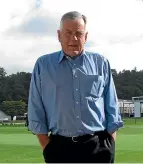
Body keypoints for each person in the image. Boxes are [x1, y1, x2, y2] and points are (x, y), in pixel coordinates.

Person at [27, 11, 123, 163]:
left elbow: (111, 105)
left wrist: (110, 142)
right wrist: (47, 146)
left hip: (98, 147)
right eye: (68, 33)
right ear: (59, 35)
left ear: (86, 36)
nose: (74, 38)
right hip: (59, 148)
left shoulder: (101, 63)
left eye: (79, 33)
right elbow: (35, 106)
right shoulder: (43, 65)